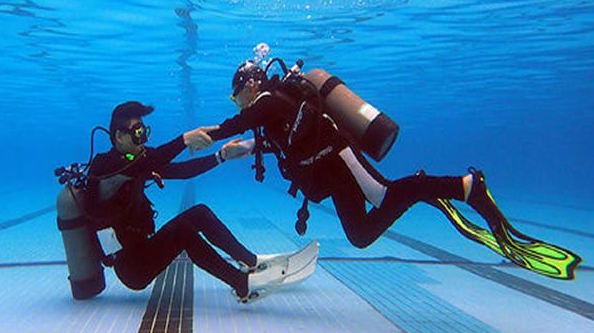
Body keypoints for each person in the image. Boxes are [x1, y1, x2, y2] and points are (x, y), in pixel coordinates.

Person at [203, 59, 581, 279]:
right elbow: (283, 141)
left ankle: (465, 186)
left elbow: (239, 123)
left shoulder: (267, 101)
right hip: (331, 174)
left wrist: (205, 137)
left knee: (385, 195)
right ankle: (418, 189)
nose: (238, 103)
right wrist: (245, 149)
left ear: (250, 85)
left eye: (237, 95)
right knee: (360, 236)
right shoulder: (273, 109)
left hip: (340, 158)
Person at [80, 101, 287, 303]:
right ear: (119, 136)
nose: (143, 139)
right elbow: (153, 160)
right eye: (137, 133)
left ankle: (251, 261)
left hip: (143, 248)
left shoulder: (136, 160)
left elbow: (181, 171)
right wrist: (185, 139)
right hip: (132, 268)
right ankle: (241, 284)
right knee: (184, 232)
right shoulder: (106, 166)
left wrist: (221, 156)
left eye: (144, 131)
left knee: (200, 213)